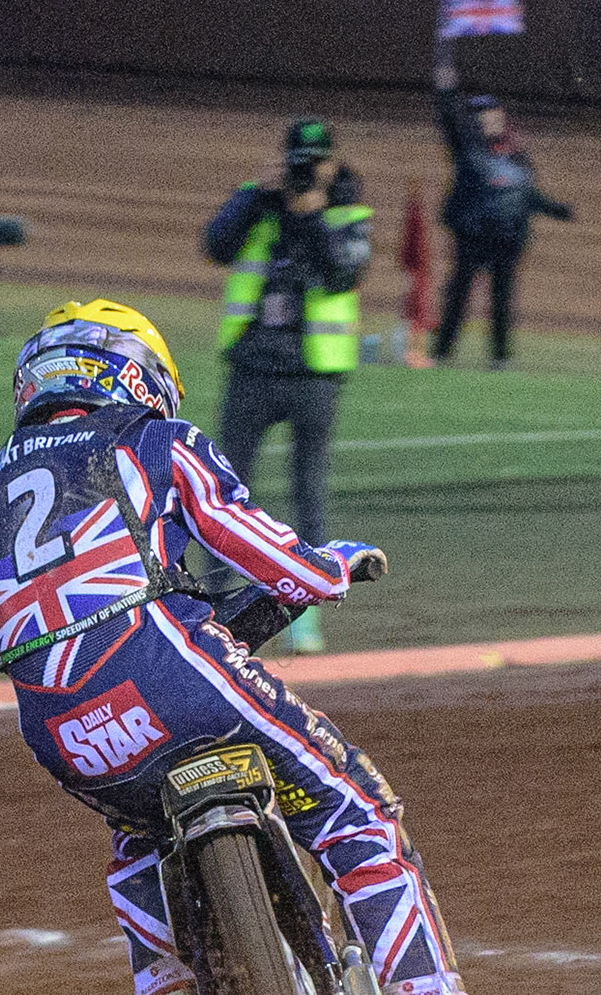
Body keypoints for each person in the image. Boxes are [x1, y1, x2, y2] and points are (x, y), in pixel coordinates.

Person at [0, 300, 507, 995]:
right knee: (357, 811)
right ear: (134, 375)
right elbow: (257, 548)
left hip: (64, 732)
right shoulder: (157, 441)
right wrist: (328, 569)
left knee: (136, 833)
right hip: (176, 675)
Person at [203, 117, 371, 655]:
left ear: (333, 165)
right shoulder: (258, 203)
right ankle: (214, 608)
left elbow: (343, 275)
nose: (307, 171)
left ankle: (306, 613)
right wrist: (258, 197)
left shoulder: (348, 215)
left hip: (313, 375)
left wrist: (312, 215)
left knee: (309, 491)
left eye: (317, 162)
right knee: (222, 494)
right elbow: (216, 245)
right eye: (300, 161)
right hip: (252, 366)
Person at [431, 43, 575, 368]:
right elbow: (450, 120)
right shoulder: (468, 149)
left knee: (501, 298)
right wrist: (446, 89)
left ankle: (499, 357)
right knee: (459, 295)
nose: (491, 120)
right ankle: (442, 353)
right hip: (472, 235)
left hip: (507, 238)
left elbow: (526, 194)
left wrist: (556, 209)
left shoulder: (517, 154)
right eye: (484, 116)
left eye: (495, 114)